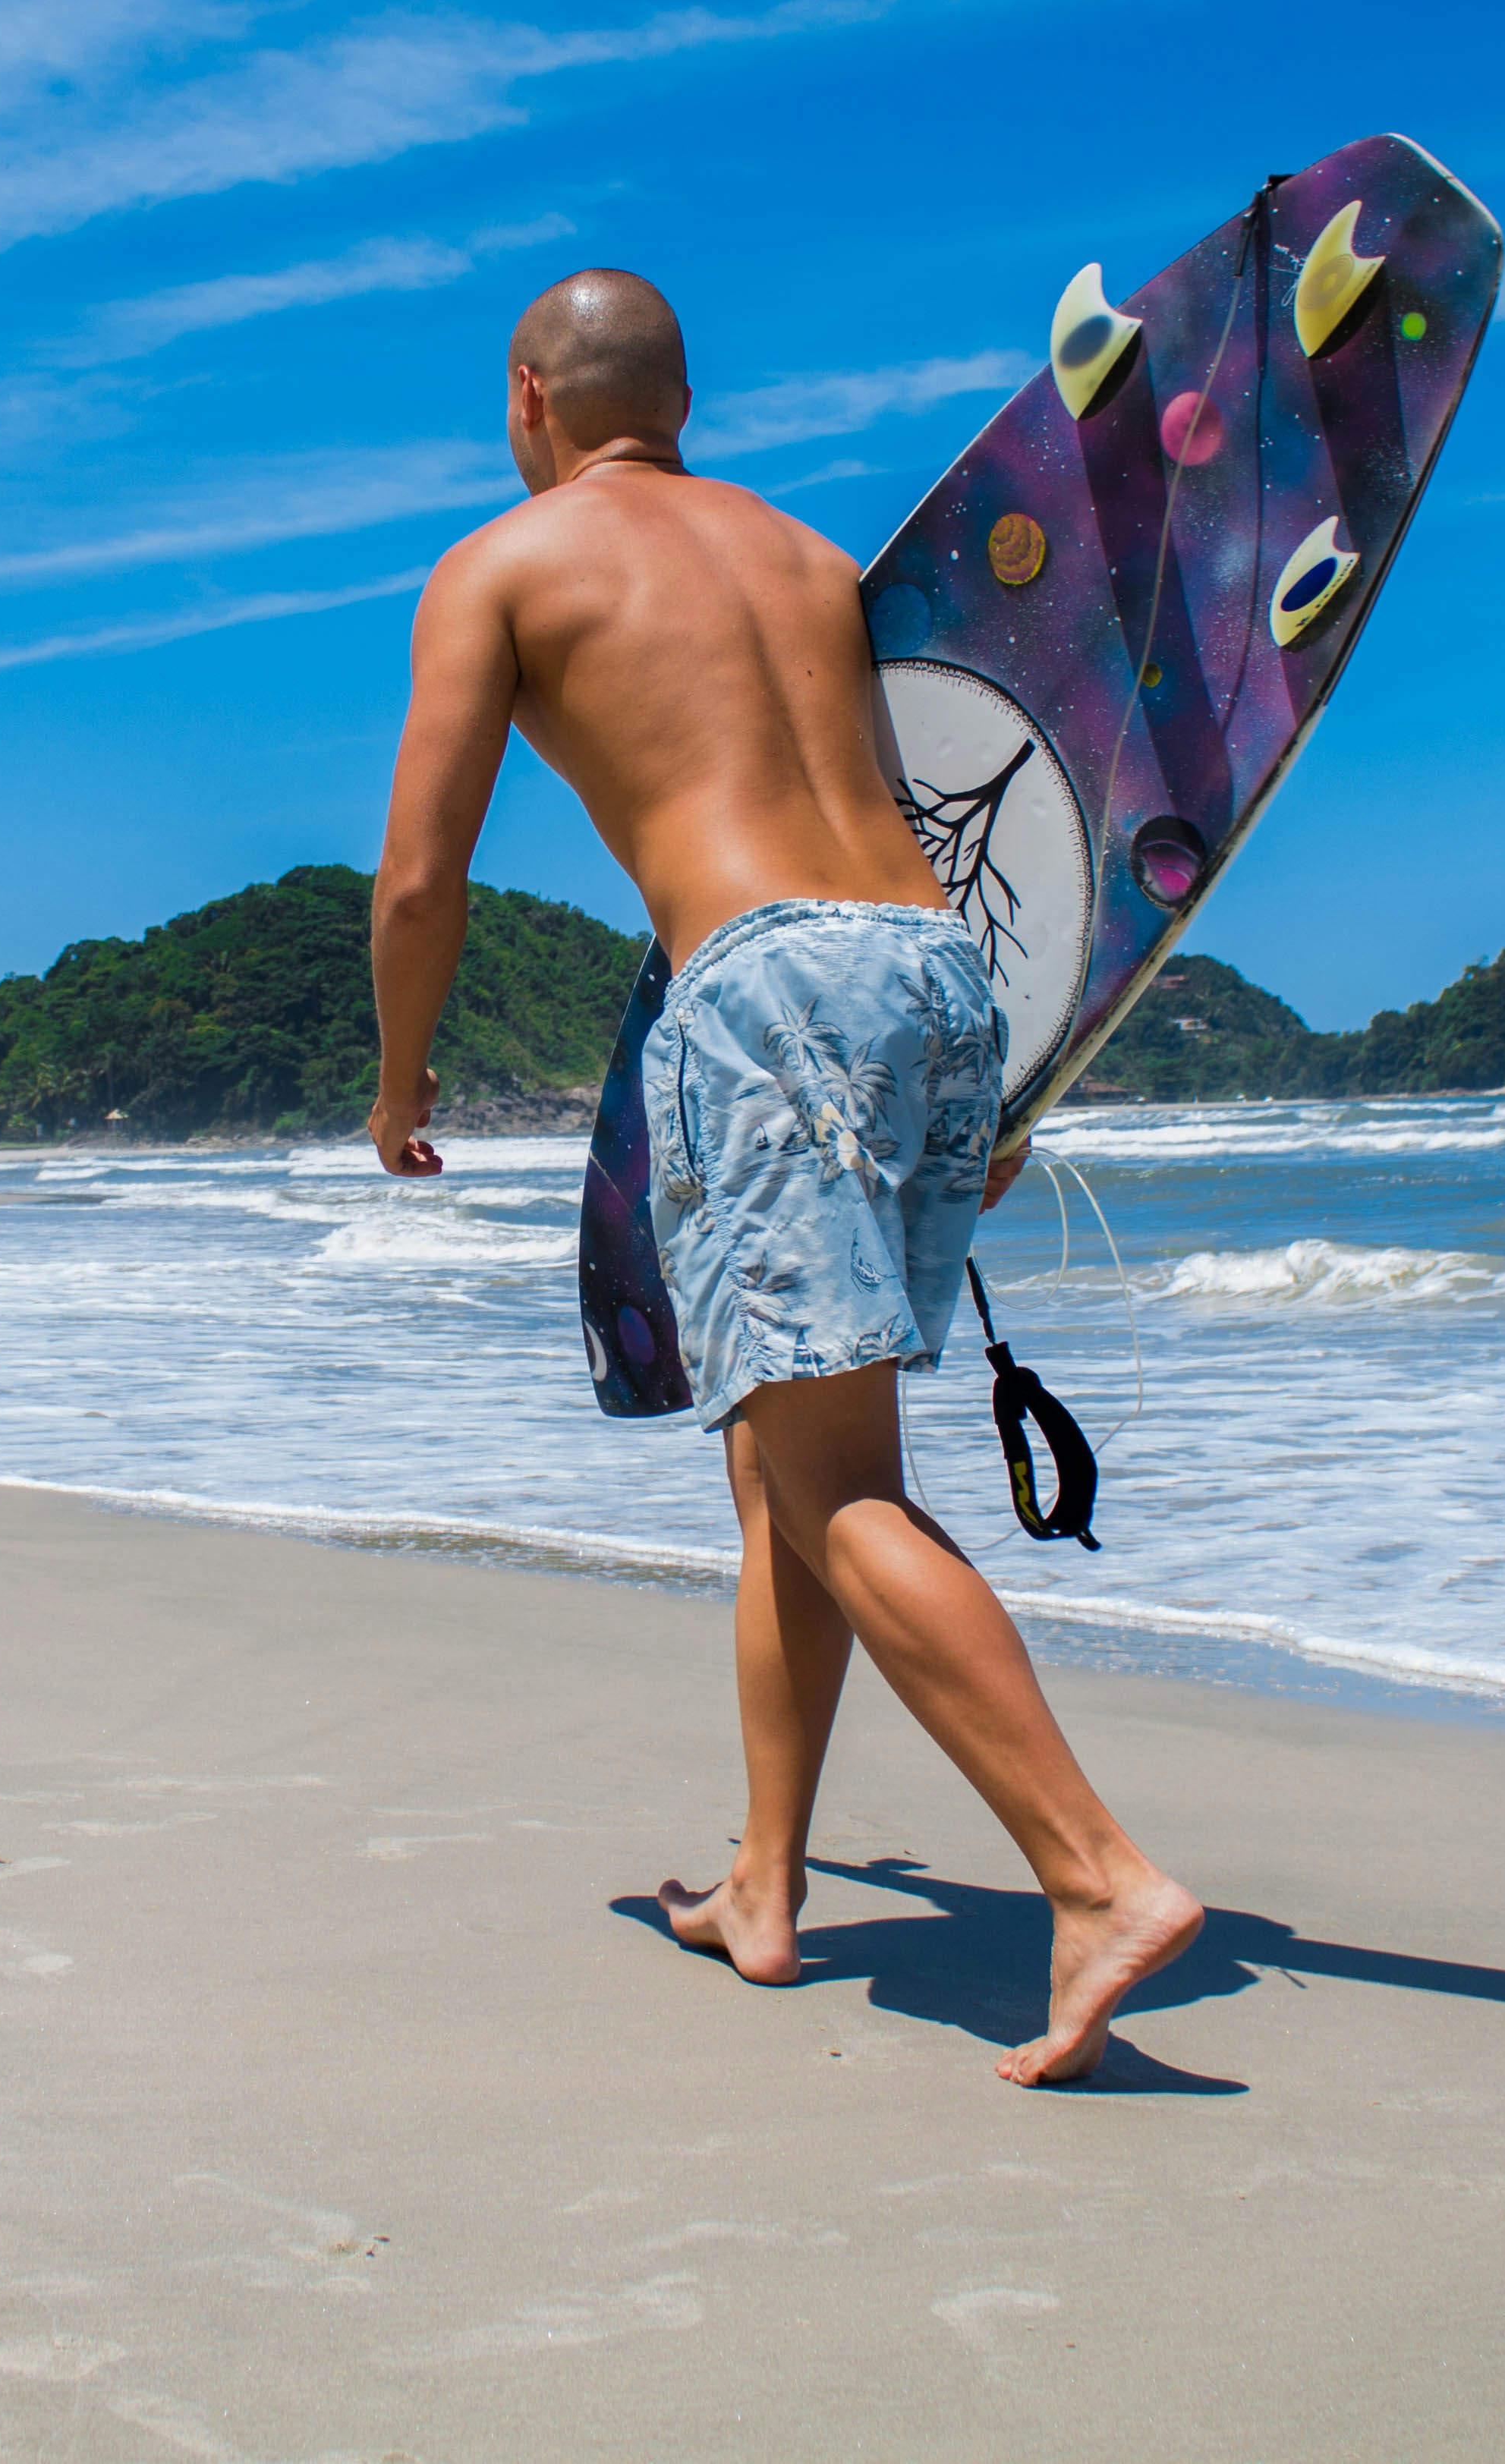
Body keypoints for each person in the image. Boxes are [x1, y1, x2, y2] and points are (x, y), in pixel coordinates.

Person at [368, 269, 1201, 2086]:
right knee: (780, 1470)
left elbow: (420, 878)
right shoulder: (813, 562)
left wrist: (398, 1077)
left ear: (527, 395)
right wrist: (997, 1085)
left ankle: (1095, 1874)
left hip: (761, 992)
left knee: (832, 1498)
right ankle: (764, 1884)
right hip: (933, 976)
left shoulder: (504, 567)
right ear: (677, 392)